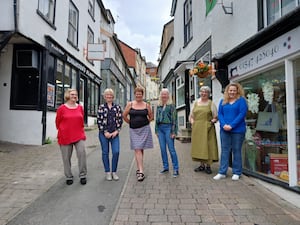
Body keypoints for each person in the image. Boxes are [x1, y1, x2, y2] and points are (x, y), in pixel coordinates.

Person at [213, 83, 248, 181]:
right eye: (230, 90)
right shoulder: (223, 101)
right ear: (227, 91)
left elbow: (242, 114)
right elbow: (220, 114)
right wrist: (224, 125)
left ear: (237, 91)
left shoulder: (241, 101)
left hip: (238, 130)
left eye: (234, 90)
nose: (232, 92)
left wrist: (231, 125)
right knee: (225, 151)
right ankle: (222, 172)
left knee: (236, 150)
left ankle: (237, 172)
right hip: (224, 130)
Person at [55, 89, 87, 185]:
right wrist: (63, 130)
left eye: (76, 94)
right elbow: (57, 122)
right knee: (66, 157)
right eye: (72, 94)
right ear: (67, 95)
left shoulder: (80, 108)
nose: (74, 96)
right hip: (65, 136)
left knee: (82, 154)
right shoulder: (62, 108)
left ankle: (83, 175)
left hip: (78, 135)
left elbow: (82, 121)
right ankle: (69, 176)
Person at [123, 87, 154, 182]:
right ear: (134, 94)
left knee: (140, 148)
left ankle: (138, 167)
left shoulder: (146, 105)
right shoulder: (130, 104)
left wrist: (145, 122)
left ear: (142, 95)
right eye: (137, 93)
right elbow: (124, 115)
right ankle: (141, 171)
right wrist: (130, 122)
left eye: (140, 93)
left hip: (144, 129)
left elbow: (151, 116)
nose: (138, 95)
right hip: (134, 130)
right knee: (137, 148)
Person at [189, 86, 219, 174]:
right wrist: (192, 123)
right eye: (202, 92)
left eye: (206, 92)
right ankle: (201, 165)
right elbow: (191, 116)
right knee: (199, 146)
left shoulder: (211, 103)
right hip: (197, 127)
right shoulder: (195, 103)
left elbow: (216, 117)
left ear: (208, 94)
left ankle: (208, 166)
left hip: (208, 128)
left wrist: (211, 123)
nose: (204, 93)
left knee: (208, 146)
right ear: (199, 93)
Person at [97, 88, 123, 181]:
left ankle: (114, 172)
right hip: (104, 134)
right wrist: (105, 132)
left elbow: (120, 120)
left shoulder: (117, 107)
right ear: (105, 96)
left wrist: (117, 131)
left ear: (113, 97)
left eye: (111, 95)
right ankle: (107, 172)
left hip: (115, 134)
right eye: (107, 95)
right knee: (105, 152)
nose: (109, 96)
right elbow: (99, 121)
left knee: (116, 152)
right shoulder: (101, 107)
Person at [155, 88, 179, 178]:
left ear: (168, 95)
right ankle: (165, 167)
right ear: (161, 95)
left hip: (168, 128)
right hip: (160, 129)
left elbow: (174, 120)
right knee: (162, 149)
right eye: (162, 94)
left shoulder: (171, 106)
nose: (164, 95)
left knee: (171, 149)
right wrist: (156, 130)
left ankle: (176, 168)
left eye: (165, 94)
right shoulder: (159, 105)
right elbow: (156, 118)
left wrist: (173, 132)